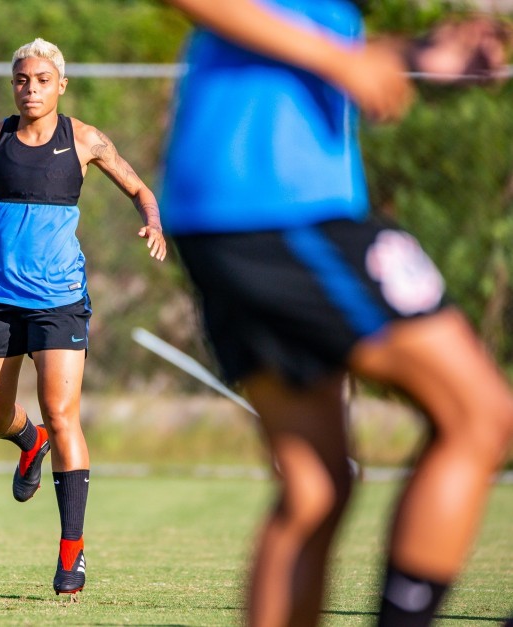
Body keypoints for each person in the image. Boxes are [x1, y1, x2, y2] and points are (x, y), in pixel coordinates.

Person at [158, 1, 513, 626]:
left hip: (235, 206)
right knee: (479, 415)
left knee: (315, 487)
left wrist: (416, 55)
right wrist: (341, 59)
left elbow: (309, 36)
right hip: (277, 204)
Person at [0, 38, 166, 597]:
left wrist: (153, 223)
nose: (31, 88)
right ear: (12, 84)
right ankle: (29, 441)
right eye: (22, 79)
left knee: (64, 414)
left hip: (60, 298)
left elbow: (140, 189)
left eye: (42, 80)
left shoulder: (86, 139)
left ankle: (71, 556)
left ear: (60, 85)